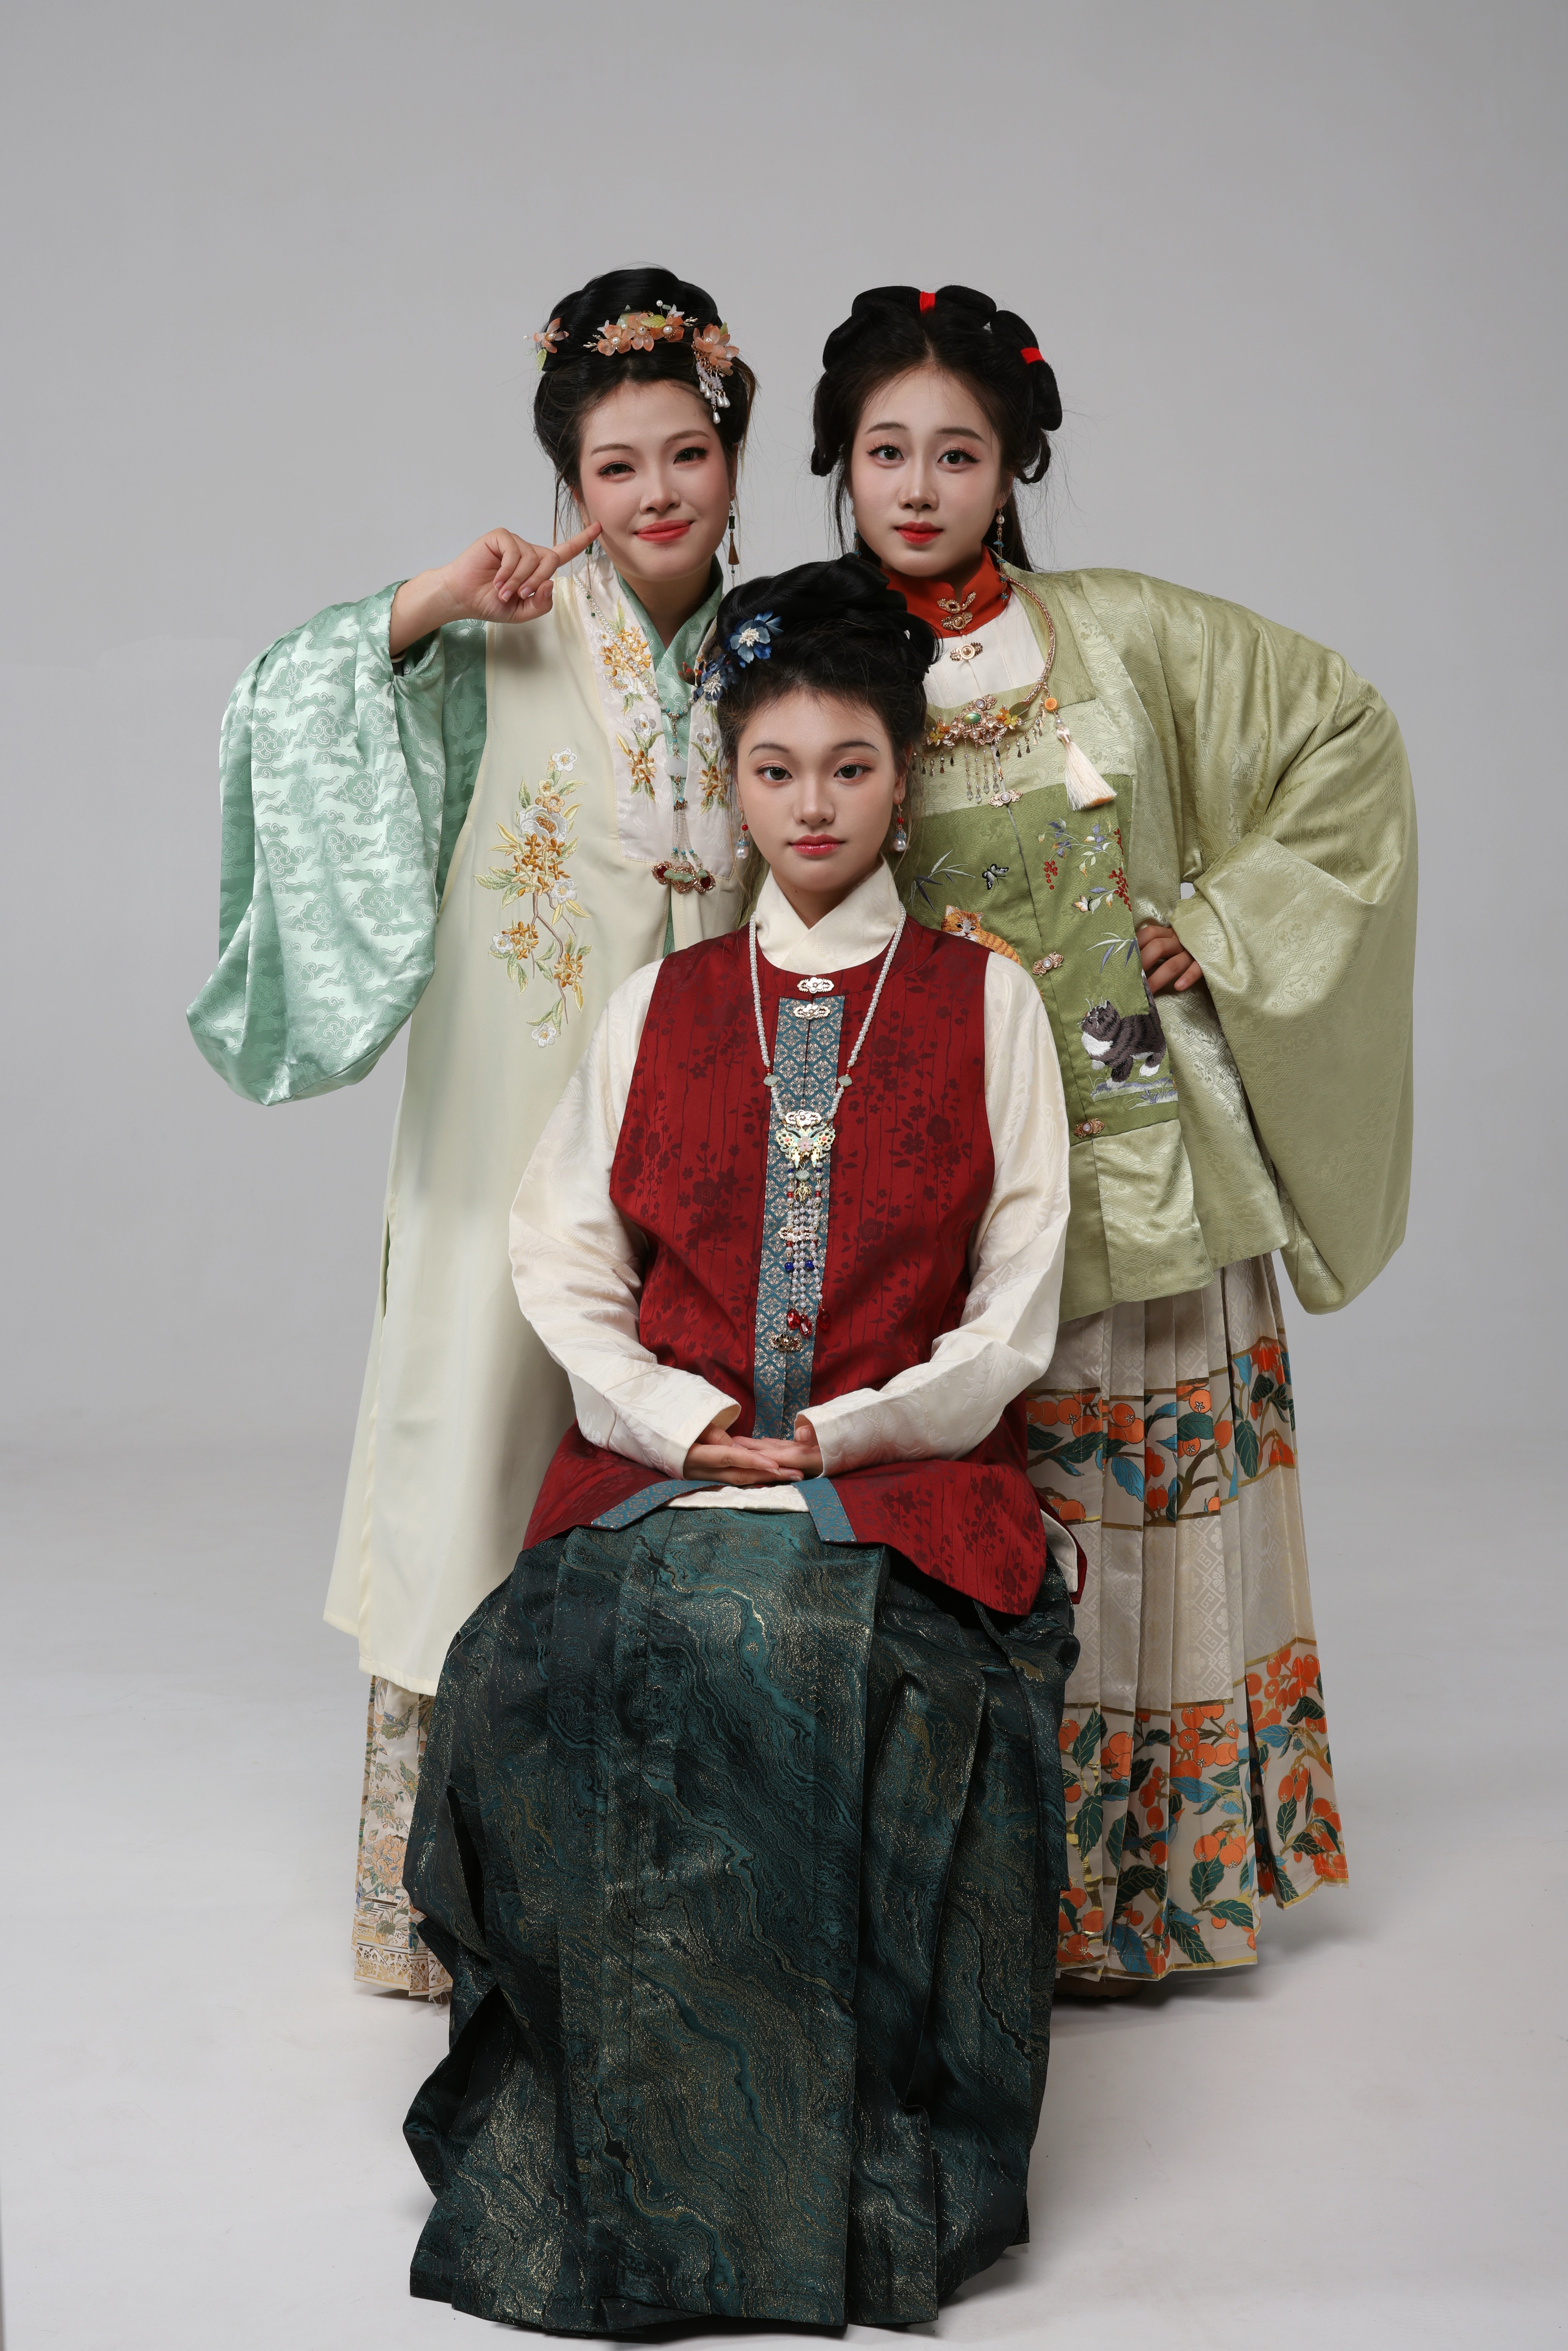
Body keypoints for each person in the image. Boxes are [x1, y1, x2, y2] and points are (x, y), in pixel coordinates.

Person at [401, 557, 1081, 2330]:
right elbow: (562, 1254)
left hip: (904, 1482)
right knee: (532, 1666)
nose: (812, 805)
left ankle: (854, 2185)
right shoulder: (667, 1002)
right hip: (664, 1469)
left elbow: (1017, 1302)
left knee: (845, 1671)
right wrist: (685, 1421)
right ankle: (622, 2151)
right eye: (774, 770)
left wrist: (847, 1431)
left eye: (851, 767)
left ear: (905, 778)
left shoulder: (984, 999)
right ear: (734, 782)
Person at [808, 284, 1417, 1987]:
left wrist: (1215, 928)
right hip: (935, 1166)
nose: (917, 487)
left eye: (957, 453)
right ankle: (971, 1894)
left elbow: (1343, 731)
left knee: (1149, 1527)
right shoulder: (819, 661)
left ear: (1014, 469)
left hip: (1148, 1151)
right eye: (883, 452)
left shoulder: (1127, 634)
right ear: (838, 465)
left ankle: (1153, 1888)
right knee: (969, 1519)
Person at [187, 268, 757, 1997]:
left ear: (733, 455)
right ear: (566, 481)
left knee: (689, 1453)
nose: (654, 495)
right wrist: (432, 598)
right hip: (515, 1109)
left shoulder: (776, 644)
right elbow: (284, 702)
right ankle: (439, 1904)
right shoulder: (501, 632)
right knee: (476, 1451)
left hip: (714, 1123)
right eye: (612, 467)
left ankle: (658, 1883)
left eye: (685, 454)